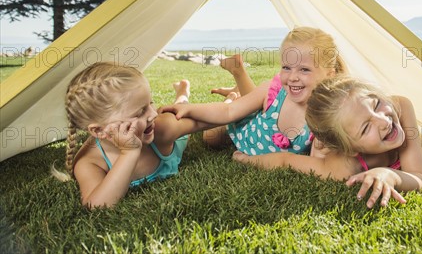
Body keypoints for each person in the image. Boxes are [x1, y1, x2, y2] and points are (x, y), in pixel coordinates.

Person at [52, 62, 266, 208]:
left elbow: (211, 118)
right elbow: (97, 206)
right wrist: (129, 153)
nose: (152, 113)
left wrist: (245, 101)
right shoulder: (89, 162)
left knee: (184, 111)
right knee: (176, 109)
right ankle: (182, 93)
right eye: (140, 112)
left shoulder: (160, 127)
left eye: (150, 104)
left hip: (176, 137)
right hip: (162, 132)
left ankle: (194, 96)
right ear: (99, 131)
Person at [232, 76, 422, 208]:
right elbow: (285, 159)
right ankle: (233, 99)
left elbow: (420, 176)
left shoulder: (400, 107)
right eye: (365, 128)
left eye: (376, 104)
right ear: (351, 149)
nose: (384, 121)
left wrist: (390, 175)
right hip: (264, 128)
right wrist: (245, 160)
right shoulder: (342, 167)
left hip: (328, 126)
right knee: (213, 137)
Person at [162, 27, 347, 156]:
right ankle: (193, 95)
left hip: (258, 119)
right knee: (211, 139)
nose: (292, 77)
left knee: (254, 104)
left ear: (329, 75)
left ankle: (237, 88)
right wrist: (191, 108)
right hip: (242, 127)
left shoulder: (325, 118)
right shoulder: (275, 90)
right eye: (286, 67)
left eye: (304, 70)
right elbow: (228, 113)